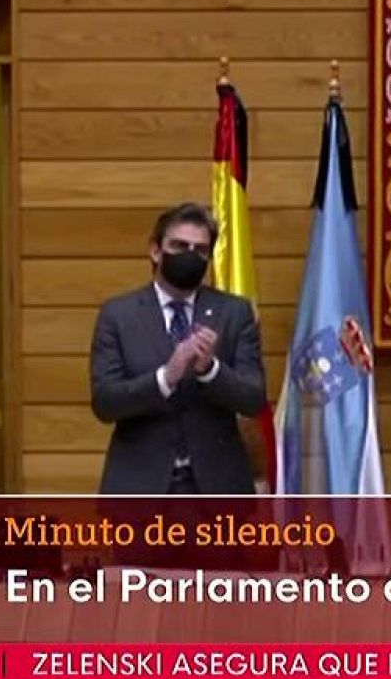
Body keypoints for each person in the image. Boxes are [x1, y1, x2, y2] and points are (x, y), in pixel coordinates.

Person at [90, 203, 266, 494]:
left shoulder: (234, 313)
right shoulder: (118, 315)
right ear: (156, 251)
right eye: (179, 245)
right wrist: (165, 378)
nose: (189, 255)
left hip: (216, 490)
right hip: (140, 489)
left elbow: (253, 398)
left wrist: (211, 371)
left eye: (200, 250)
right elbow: (105, 402)